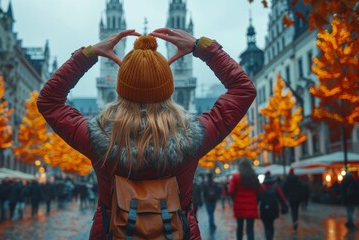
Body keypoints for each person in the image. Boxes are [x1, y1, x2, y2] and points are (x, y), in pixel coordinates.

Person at [37, 28, 256, 239]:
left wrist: (89, 54)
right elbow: (243, 89)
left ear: (121, 88)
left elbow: (49, 101)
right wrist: (203, 48)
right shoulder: (192, 137)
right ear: (168, 87)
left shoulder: (98, 138)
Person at [228, 159, 260, 240]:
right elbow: (259, 190)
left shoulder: (235, 176)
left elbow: (231, 191)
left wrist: (234, 198)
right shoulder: (254, 176)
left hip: (239, 206)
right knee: (250, 229)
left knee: (240, 227)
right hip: (251, 205)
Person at [259, 171, 288, 240]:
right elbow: (281, 197)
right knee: (271, 224)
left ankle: (268, 237)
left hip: (263, 208)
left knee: (266, 225)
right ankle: (270, 237)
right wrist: (284, 205)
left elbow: (257, 197)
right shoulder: (276, 186)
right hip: (273, 208)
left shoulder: (261, 187)